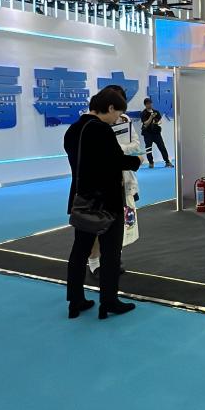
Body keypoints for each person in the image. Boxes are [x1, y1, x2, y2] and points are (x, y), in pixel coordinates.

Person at [63, 88, 143, 319]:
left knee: (80, 250)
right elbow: (115, 161)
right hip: (106, 199)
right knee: (111, 251)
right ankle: (108, 301)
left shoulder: (73, 129)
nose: (117, 119)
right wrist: (137, 160)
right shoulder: (101, 129)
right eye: (117, 113)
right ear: (109, 108)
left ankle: (75, 301)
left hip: (82, 198)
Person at [140, 98, 173, 168]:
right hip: (147, 134)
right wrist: (151, 117)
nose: (149, 105)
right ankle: (151, 163)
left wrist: (156, 122)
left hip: (156, 133)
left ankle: (167, 162)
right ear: (145, 105)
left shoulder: (156, 112)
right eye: (148, 104)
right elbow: (145, 123)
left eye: (150, 103)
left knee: (162, 147)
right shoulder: (143, 113)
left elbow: (160, 121)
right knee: (148, 149)